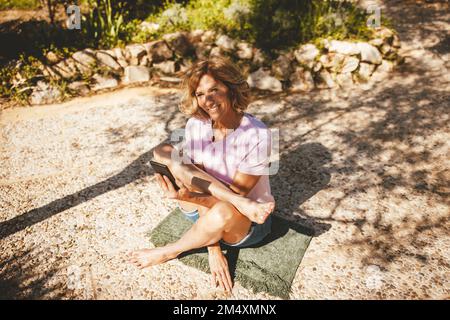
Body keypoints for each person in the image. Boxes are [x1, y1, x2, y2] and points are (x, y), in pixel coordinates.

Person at [128, 57, 275, 293]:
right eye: (200, 93)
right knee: (164, 152)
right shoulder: (197, 124)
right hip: (205, 207)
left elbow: (226, 200)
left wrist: (189, 198)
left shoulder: (257, 135)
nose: (207, 100)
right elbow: (199, 179)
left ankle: (171, 250)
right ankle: (209, 231)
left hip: (243, 220)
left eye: (214, 90)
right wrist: (213, 247)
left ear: (230, 89)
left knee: (226, 208)